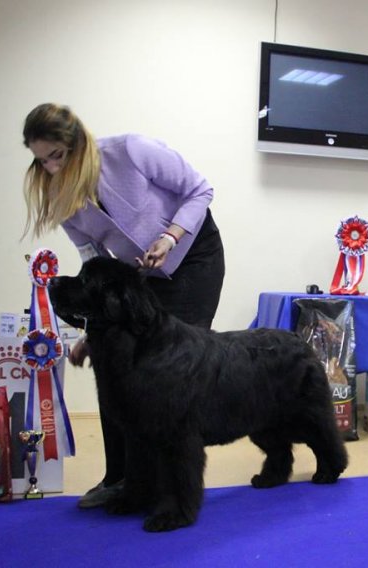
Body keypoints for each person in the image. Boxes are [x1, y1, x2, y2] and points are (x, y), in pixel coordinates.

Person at [22, 103, 226, 507]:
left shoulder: (131, 150)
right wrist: (91, 334)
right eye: (41, 161)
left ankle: (170, 484)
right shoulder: (62, 197)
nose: (51, 169)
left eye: (57, 156)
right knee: (115, 365)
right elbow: (95, 267)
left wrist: (170, 236)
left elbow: (200, 189)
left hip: (193, 256)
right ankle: (121, 478)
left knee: (172, 371)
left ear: (78, 141)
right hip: (141, 273)